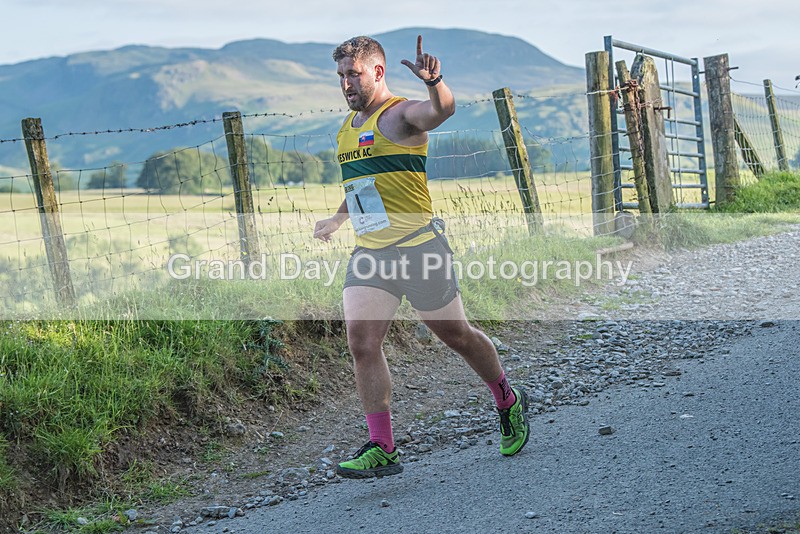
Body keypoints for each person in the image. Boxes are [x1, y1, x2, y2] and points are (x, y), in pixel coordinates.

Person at [313, 34, 529, 479]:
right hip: (372, 254)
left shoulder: (401, 115)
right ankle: (383, 446)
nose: (346, 84)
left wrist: (435, 83)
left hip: (419, 249)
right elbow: (362, 183)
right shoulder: (347, 128)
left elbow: (441, 110)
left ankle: (507, 399)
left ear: (377, 72)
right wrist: (337, 218)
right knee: (362, 343)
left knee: (457, 335)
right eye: (340, 76)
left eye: (354, 74)